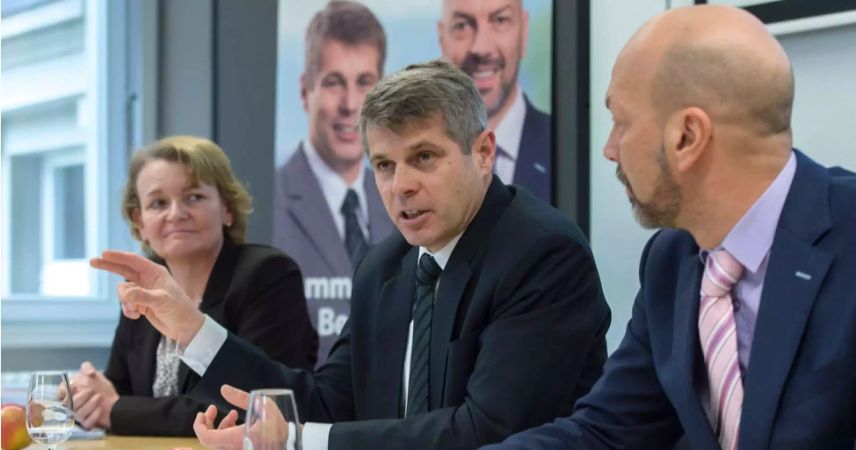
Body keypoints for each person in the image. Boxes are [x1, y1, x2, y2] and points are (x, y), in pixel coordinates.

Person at [91, 60, 611, 449]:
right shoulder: (385, 267)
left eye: (423, 157)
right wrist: (191, 328)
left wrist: (297, 441)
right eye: (383, 166)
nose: (400, 186)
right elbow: (321, 403)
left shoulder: (542, 253)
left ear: (482, 152)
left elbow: (489, 429)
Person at [487, 5, 856, 450]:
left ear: (687, 137)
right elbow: (605, 432)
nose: (610, 150)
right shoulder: (671, 260)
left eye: (621, 122)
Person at [71, 136, 318, 436]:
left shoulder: (268, 275)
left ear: (227, 208)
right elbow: (118, 388)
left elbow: (248, 407)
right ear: (140, 222)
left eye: (194, 197)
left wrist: (114, 410)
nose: (176, 213)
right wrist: (88, 397)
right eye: (159, 203)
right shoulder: (143, 285)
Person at [274, 0, 394, 364]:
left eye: (365, 83)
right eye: (333, 83)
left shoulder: (402, 200)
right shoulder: (270, 201)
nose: (350, 104)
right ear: (305, 91)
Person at [438, 0, 552, 202]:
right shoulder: (413, 161)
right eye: (462, 25)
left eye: (500, 20)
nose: (481, 48)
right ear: (442, 39)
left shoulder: (562, 145)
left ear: (523, 33)